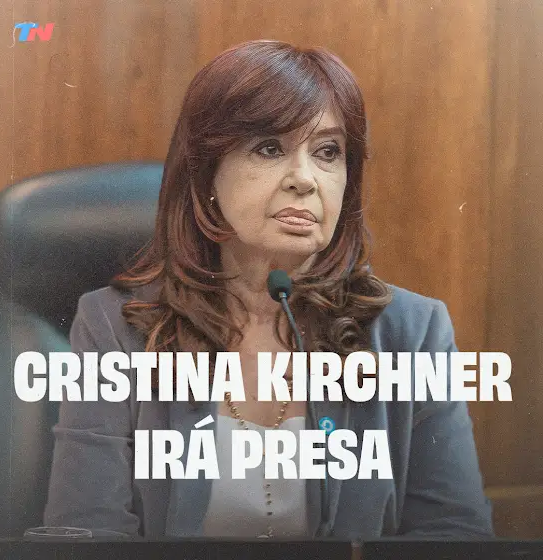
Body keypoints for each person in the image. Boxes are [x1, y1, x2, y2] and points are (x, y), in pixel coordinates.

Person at [43, 39, 493, 539]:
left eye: (327, 152)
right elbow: (86, 535)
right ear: (206, 173)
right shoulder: (113, 328)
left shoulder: (413, 332)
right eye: (270, 148)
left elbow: (454, 535)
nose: (304, 179)